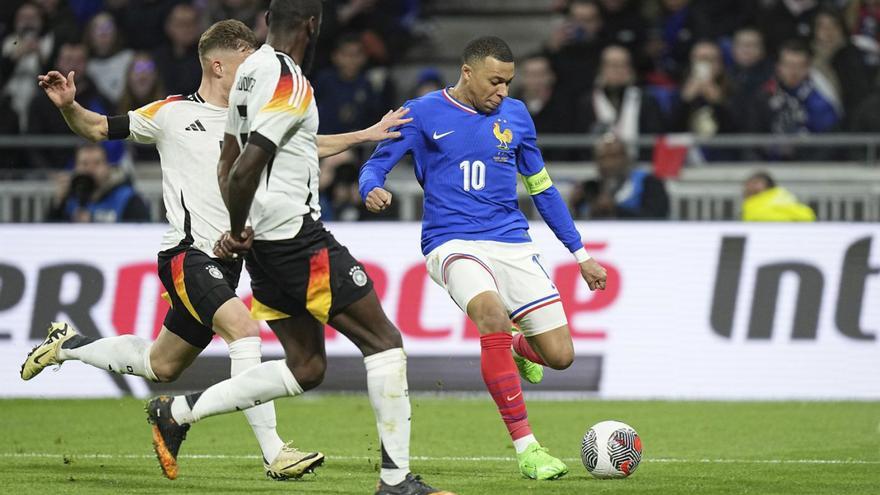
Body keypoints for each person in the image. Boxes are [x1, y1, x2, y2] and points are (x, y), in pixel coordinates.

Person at [20, 18, 409, 482]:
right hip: (187, 255)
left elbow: (304, 144)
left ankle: (67, 345)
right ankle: (274, 453)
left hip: (229, 263)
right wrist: (69, 106)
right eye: (248, 60)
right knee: (244, 333)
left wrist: (364, 135)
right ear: (220, 65)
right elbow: (100, 127)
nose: (257, 70)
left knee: (159, 365)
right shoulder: (171, 113)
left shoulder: (248, 117)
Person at [143, 2, 452, 494]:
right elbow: (245, 168)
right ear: (314, 25)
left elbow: (228, 158)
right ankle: (395, 482)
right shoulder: (289, 79)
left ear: (268, 22)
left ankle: (177, 412)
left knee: (306, 367)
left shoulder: (250, 73)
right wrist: (239, 226)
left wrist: (242, 229)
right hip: (296, 241)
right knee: (384, 343)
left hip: (265, 250)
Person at [358, 35, 608, 481]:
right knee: (491, 315)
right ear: (468, 73)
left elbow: (542, 189)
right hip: (451, 242)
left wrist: (581, 255)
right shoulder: (422, 112)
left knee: (561, 356)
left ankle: (516, 346)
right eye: (495, 82)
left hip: (511, 241)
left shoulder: (517, 116)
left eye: (509, 83)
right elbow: (375, 164)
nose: (503, 92)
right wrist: (369, 187)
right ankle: (528, 449)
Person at [570, 133, 670, 219]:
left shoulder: (649, 183)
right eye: (602, 158)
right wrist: (576, 207)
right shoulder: (591, 189)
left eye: (614, 156)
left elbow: (656, 218)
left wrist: (615, 210)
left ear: (626, 158)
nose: (608, 163)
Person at [45, 143, 149, 222]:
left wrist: (93, 220)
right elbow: (49, 235)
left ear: (107, 167)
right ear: (75, 168)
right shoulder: (67, 199)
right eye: (84, 164)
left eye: (97, 163)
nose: (90, 169)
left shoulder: (127, 198)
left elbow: (139, 233)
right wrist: (57, 204)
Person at [742, 171, 816, 221]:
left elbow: (807, 216)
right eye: (749, 183)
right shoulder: (750, 204)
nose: (750, 186)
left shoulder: (778, 199)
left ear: (768, 185)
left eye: (755, 183)